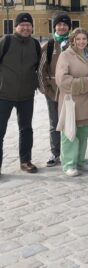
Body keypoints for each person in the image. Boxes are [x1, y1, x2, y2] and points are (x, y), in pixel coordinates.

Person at [55, 28, 88, 177]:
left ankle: (80, 160)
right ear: (73, 39)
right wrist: (86, 83)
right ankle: (69, 163)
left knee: (83, 132)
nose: (81, 42)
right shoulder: (65, 55)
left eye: (84, 39)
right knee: (69, 133)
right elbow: (62, 80)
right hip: (70, 101)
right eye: (78, 39)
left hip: (86, 100)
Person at [0, 13, 40, 175]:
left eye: (28, 25)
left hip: (26, 95)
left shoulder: (35, 44)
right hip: (4, 95)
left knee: (26, 129)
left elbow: (39, 67)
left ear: (32, 27)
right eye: (22, 24)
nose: (25, 27)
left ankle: (25, 161)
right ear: (16, 26)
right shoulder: (6, 41)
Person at [37, 13, 72, 167]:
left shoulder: (74, 43)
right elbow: (41, 70)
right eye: (59, 24)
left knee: (71, 122)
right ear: (54, 27)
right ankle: (55, 152)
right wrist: (45, 90)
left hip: (71, 91)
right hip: (53, 91)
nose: (62, 27)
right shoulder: (49, 45)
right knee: (54, 123)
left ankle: (70, 153)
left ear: (69, 27)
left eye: (65, 24)